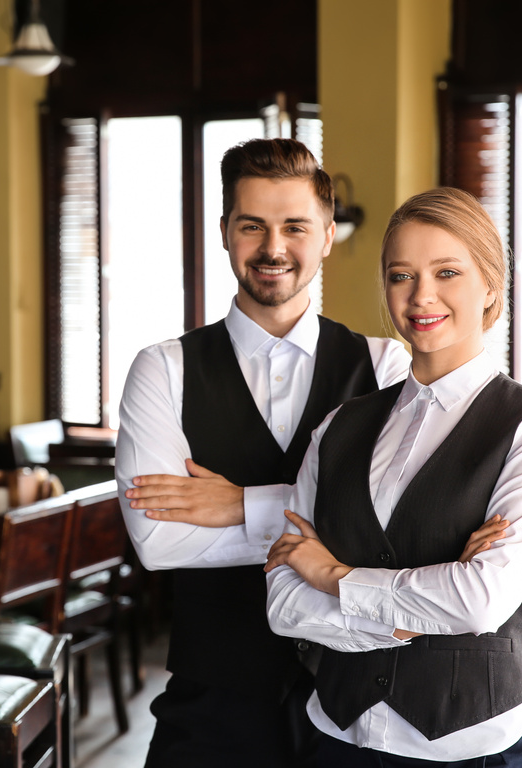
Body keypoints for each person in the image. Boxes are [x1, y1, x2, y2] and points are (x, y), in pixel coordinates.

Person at [114, 138, 413, 768]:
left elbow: (397, 528)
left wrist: (238, 506)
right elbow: (158, 541)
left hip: (358, 703)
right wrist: (328, 526)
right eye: (252, 226)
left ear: (326, 236)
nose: (273, 248)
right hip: (211, 705)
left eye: (295, 227)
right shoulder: (162, 369)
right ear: (225, 232)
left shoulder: (385, 366)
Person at [264, 186, 522, 768]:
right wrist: (416, 617)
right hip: (340, 740)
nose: (421, 295)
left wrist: (333, 575)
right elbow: (284, 603)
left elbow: (481, 601)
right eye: (401, 275)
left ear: (491, 285)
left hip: (481, 747)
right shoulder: (337, 428)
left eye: (447, 272)